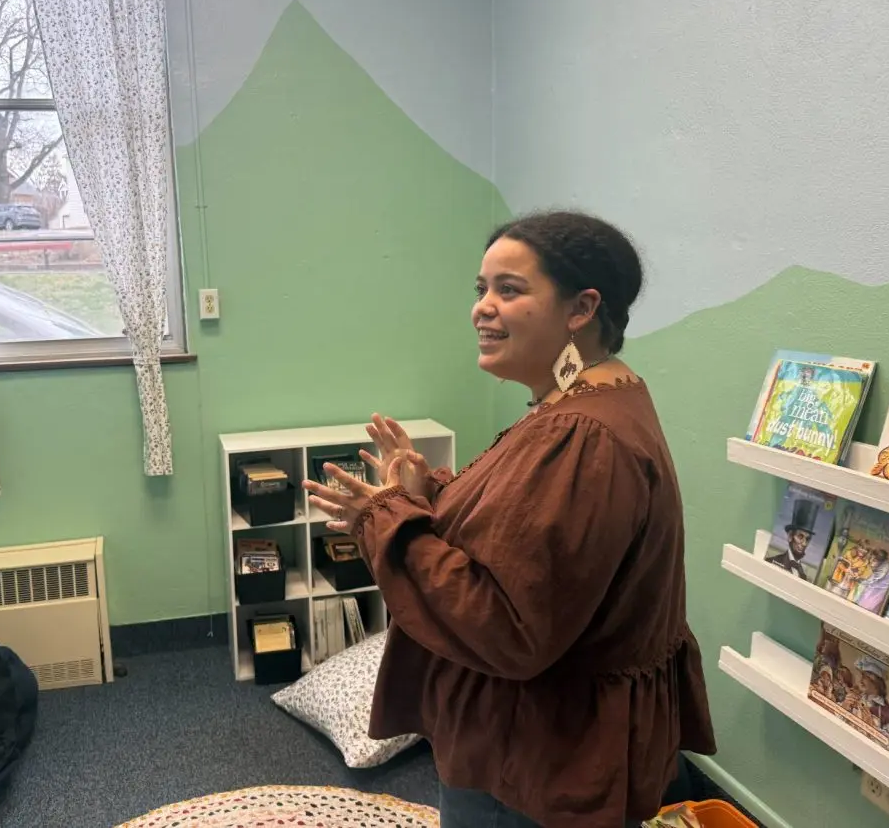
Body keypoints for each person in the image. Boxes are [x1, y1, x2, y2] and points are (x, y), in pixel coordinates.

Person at [303, 211, 717, 828]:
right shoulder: (597, 399)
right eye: (481, 288)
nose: (482, 308)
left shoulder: (581, 435)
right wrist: (428, 492)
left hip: (533, 761)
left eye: (510, 289)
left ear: (581, 309)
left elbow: (507, 627)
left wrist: (385, 519)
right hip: (551, 744)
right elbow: (523, 538)